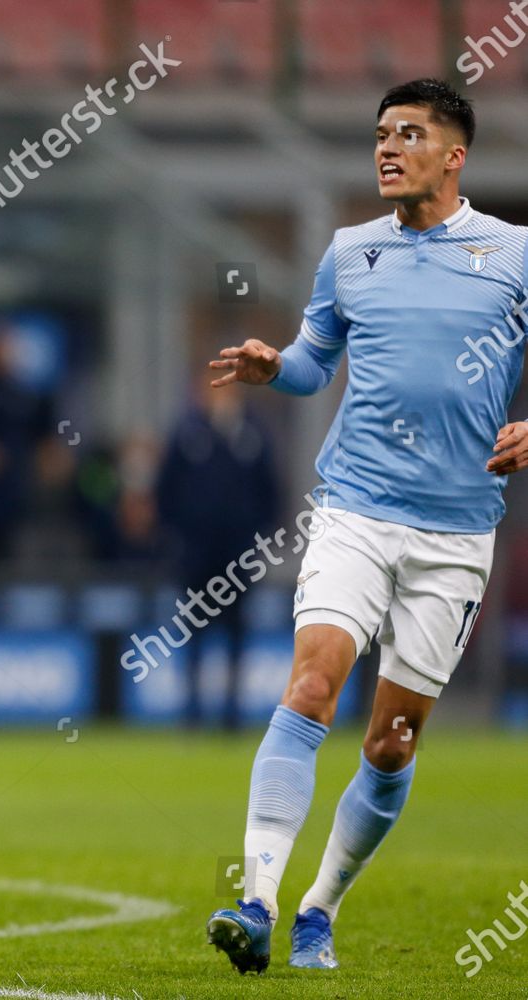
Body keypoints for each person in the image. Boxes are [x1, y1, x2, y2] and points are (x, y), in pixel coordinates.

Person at [205, 78, 528, 973]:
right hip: (355, 508)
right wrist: (280, 366)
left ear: (454, 155)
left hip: (456, 535)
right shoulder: (351, 252)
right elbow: (316, 362)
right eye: (381, 133)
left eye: (410, 134)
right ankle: (258, 901)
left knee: (392, 741)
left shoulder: (513, 253)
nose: (388, 148)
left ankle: (320, 906)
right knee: (312, 683)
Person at [154, 364, 279, 729]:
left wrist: (256, 538)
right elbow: (166, 491)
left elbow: (270, 491)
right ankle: (192, 711)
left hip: (238, 555)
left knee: (237, 632)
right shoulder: (187, 433)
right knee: (193, 631)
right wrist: (178, 535)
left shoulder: (252, 434)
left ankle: (232, 712)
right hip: (195, 554)